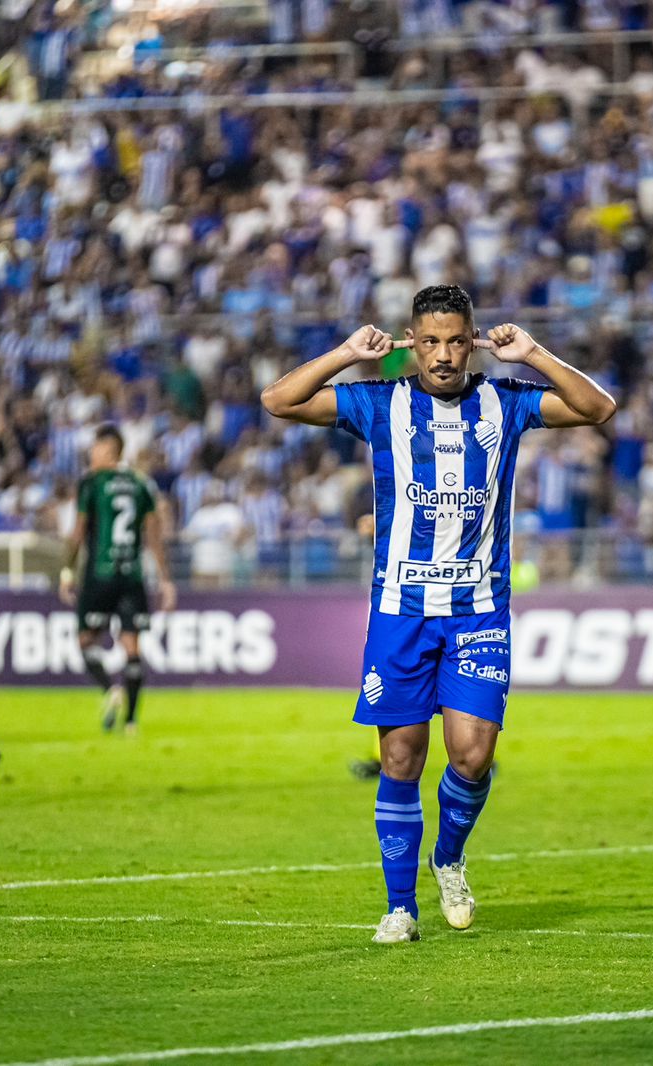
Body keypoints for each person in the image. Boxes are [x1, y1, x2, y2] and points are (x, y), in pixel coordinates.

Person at [260, 284, 615, 944]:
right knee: (400, 758)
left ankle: (447, 856)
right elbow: (278, 400)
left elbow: (598, 407)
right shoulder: (378, 403)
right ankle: (400, 908)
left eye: (457, 340)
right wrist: (344, 352)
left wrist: (532, 352)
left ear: (474, 338)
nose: (445, 355)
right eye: (430, 342)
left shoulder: (504, 403)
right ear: (410, 344)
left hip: (478, 610)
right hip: (400, 611)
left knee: (473, 755)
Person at [59, 425, 175, 734]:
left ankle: (111, 690)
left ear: (110, 450)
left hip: (100, 574)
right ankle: (132, 722)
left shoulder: (92, 482)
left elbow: (78, 531)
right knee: (132, 647)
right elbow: (154, 536)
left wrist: (67, 571)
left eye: (96, 449)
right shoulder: (141, 483)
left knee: (85, 640)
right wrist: (166, 580)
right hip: (132, 576)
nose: (91, 454)